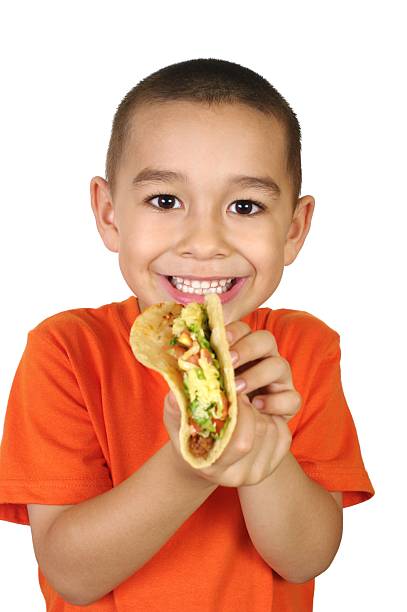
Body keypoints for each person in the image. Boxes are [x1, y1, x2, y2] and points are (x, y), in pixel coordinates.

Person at [0, 58, 375, 611]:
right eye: (165, 201)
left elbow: (306, 558)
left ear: (293, 230)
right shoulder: (66, 350)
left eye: (245, 206)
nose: (204, 242)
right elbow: (71, 574)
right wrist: (194, 459)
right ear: (109, 215)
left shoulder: (304, 349)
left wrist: (263, 453)